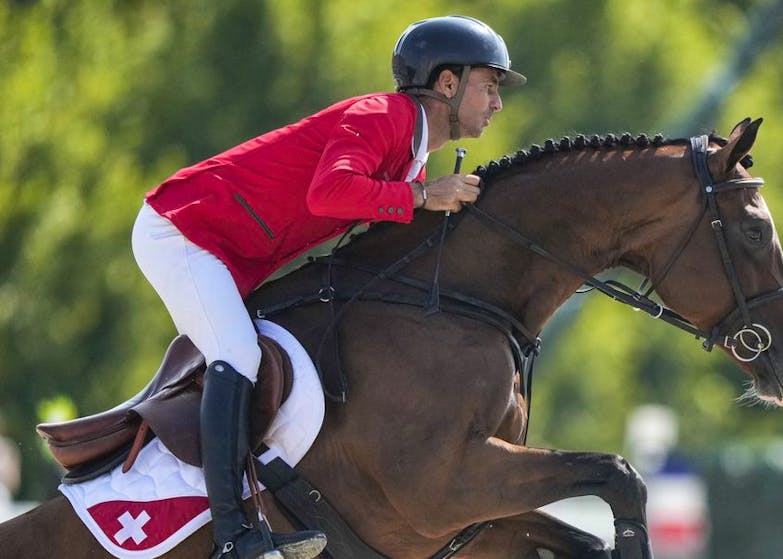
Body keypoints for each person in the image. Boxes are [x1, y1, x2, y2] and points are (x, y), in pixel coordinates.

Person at [131, 15, 525, 559]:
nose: (497, 103)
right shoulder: (383, 115)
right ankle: (231, 538)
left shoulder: (413, 154)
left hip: (228, 254)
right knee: (240, 355)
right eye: (490, 85)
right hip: (182, 231)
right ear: (448, 84)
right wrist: (420, 198)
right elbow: (329, 194)